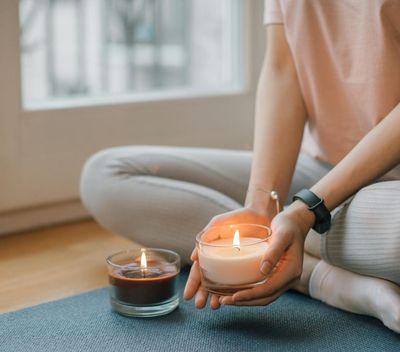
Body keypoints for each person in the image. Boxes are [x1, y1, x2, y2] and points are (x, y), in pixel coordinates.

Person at [80, 0, 400, 332]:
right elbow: (283, 66)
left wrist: (304, 212)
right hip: (316, 172)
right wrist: (260, 205)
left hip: (385, 194)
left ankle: (281, 248)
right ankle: (319, 278)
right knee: (106, 175)